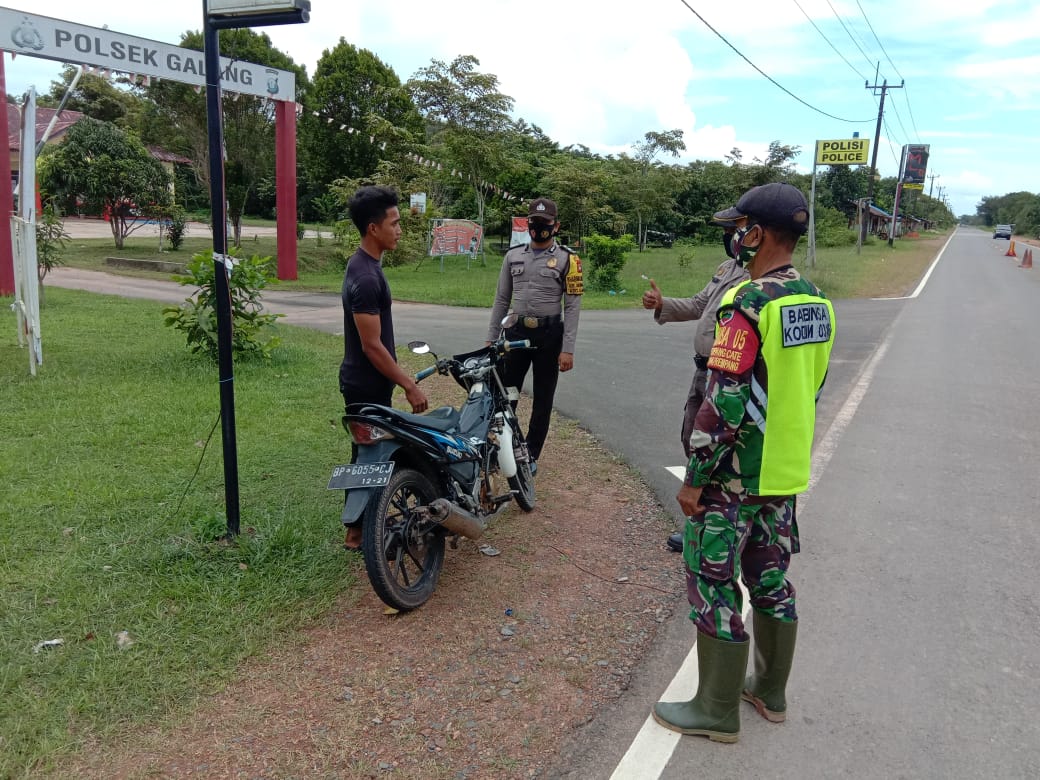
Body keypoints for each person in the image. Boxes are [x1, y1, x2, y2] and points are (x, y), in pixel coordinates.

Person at [652, 182, 835, 743]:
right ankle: (770, 692)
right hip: (781, 472)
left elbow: (724, 402)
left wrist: (697, 480)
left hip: (732, 478)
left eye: (739, 226)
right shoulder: (815, 302)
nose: (735, 235)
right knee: (772, 579)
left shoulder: (748, 303)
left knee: (714, 584)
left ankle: (716, 709)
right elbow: (811, 387)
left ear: (756, 233)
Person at [642, 218, 748, 552]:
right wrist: (663, 305)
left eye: (737, 228)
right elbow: (700, 304)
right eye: (729, 230)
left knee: (715, 451)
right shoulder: (728, 267)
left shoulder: (757, 279)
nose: (730, 235)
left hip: (727, 377)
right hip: (703, 371)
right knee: (692, 441)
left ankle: (718, 529)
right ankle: (702, 523)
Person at [339, 185, 429, 551]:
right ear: (373, 228)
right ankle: (357, 531)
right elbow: (371, 345)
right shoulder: (366, 277)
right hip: (365, 382)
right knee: (369, 454)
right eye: (394, 223)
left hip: (367, 380)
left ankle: (359, 528)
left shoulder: (364, 265)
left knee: (367, 453)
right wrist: (409, 384)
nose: (399, 229)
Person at [487, 197, 583, 472]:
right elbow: (501, 299)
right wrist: (490, 338)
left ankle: (530, 455)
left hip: (549, 336)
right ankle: (503, 449)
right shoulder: (513, 256)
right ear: (527, 224)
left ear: (556, 226)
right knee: (507, 394)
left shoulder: (568, 259)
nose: (538, 227)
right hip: (515, 333)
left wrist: (568, 348)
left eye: (544, 223)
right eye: (534, 222)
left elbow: (573, 306)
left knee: (543, 398)